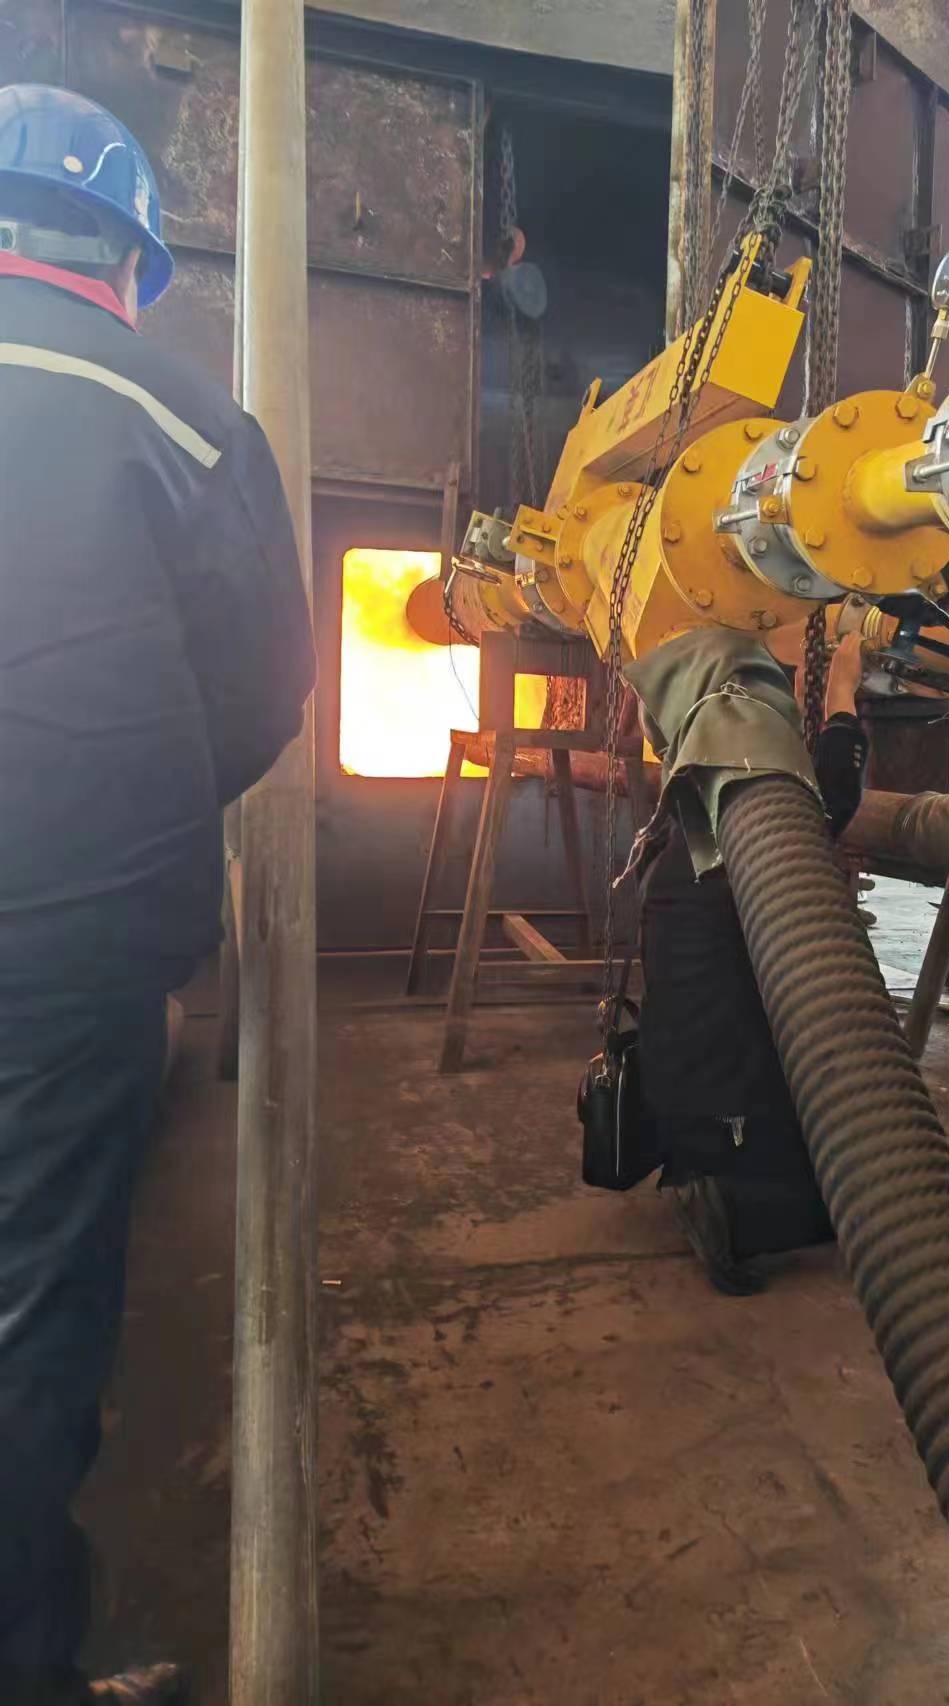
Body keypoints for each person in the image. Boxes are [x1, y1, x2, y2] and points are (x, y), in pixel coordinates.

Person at [0, 85, 315, 1704]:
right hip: (69, 944)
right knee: (26, 1316)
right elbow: (264, 690)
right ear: (128, 260)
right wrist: (155, 794)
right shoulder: (187, 419)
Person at [637, 635, 869, 1295]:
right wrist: (842, 691)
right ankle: (732, 1212)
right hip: (726, 1091)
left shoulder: (690, 811)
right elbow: (829, 801)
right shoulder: (746, 827)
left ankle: (705, 1176)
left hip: (683, 1081)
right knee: (844, 1206)